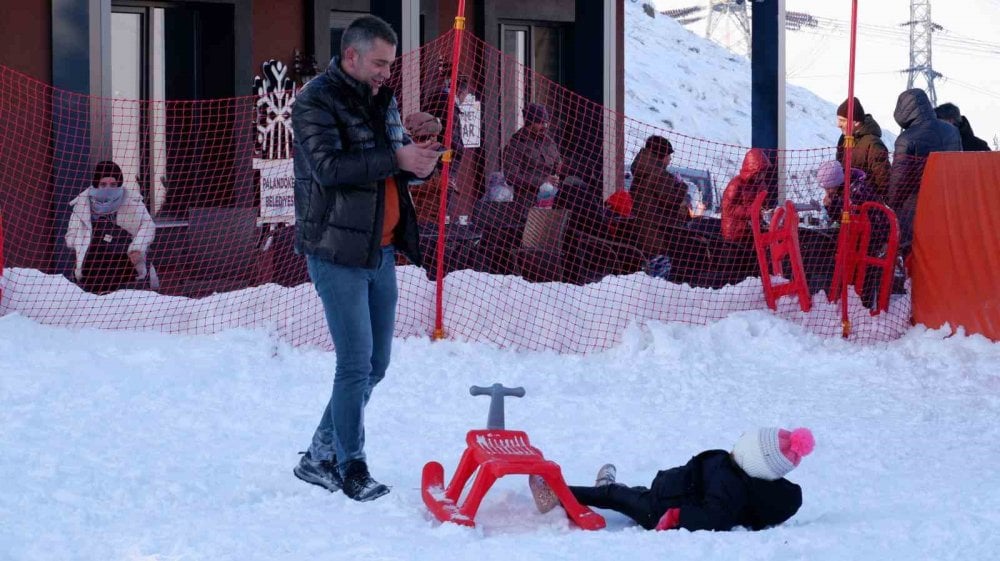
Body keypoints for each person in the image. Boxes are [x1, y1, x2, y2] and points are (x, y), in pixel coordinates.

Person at [290, 15, 443, 502]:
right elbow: (330, 169)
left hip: (380, 250)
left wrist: (418, 163)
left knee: (376, 364)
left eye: (389, 64)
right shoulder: (315, 101)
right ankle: (350, 464)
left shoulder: (383, 99)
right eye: (379, 63)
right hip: (337, 252)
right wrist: (396, 159)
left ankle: (319, 453)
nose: (385, 73)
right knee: (355, 364)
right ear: (351, 56)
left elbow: (394, 163)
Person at [530, 427, 814, 532]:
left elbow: (715, 517)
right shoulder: (744, 477)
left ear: (752, 459)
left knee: (616, 496)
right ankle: (603, 488)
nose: (738, 442)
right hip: (666, 493)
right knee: (628, 492)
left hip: (659, 508)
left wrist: (676, 517)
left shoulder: (730, 483)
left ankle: (556, 494)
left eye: (744, 444)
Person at [65, 160, 156, 294]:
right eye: (103, 184)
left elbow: (148, 226)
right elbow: (70, 237)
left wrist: (137, 248)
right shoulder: (82, 205)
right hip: (92, 273)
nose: (108, 188)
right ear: (96, 184)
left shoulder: (133, 202)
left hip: (125, 272)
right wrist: (81, 244)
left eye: (113, 184)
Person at [888, 89, 962, 248]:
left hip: (916, 206)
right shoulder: (952, 131)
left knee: (912, 250)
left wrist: (891, 206)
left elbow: (899, 181)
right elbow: (959, 163)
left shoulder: (906, 139)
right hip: (949, 202)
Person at [629, 135, 689, 257]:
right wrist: (681, 186)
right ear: (661, 155)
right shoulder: (659, 174)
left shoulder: (643, 169)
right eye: (668, 155)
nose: (670, 159)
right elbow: (671, 200)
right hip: (656, 233)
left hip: (639, 229)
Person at [501, 102, 563, 217]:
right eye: (540, 123)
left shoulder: (548, 141)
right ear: (530, 122)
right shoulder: (515, 144)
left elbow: (558, 162)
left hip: (554, 199)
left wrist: (561, 170)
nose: (545, 126)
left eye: (546, 123)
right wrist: (542, 180)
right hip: (529, 202)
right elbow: (511, 177)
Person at [835, 97, 891, 203]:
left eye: (842, 120)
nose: (838, 125)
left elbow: (884, 179)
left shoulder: (873, 144)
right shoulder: (843, 139)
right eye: (838, 120)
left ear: (856, 122)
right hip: (846, 202)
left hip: (867, 205)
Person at [720, 147, 773, 242]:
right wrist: (754, 212)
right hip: (735, 233)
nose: (763, 175)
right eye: (760, 172)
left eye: (764, 172)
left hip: (753, 232)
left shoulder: (761, 185)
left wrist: (765, 211)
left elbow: (763, 204)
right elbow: (729, 208)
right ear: (752, 170)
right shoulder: (736, 184)